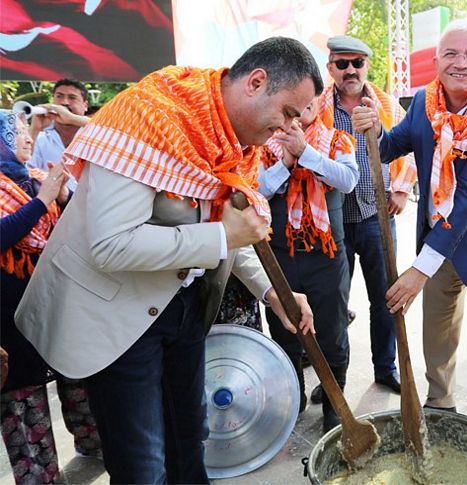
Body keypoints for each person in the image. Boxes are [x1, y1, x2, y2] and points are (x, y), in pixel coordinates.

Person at [15, 37, 319, 483]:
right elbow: (111, 244)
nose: (288, 127)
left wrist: (273, 291)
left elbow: (230, 232)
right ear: (256, 82)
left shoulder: (230, 141)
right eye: (290, 113)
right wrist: (221, 236)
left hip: (183, 305)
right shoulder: (149, 117)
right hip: (116, 316)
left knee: (189, 437)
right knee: (144, 462)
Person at [353, 20, 467, 485]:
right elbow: (393, 146)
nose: (461, 63)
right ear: (437, 61)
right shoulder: (425, 103)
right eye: (451, 53)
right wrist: (370, 130)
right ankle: (439, 407)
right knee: (437, 338)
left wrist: (416, 271)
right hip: (439, 244)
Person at [308, 35, 416, 404]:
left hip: (375, 217)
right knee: (332, 303)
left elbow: (410, 149)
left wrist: (401, 188)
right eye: (342, 63)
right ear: (331, 69)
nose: (350, 70)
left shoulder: (387, 106)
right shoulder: (316, 107)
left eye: (357, 63)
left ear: (367, 66)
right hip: (331, 220)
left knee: (385, 299)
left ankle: (386, 368)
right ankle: (333, 378)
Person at [258, 94, 359, 431]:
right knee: (285, 331)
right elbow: (255, 191)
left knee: (331, 332)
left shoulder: (336, 140)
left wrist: (305, 154)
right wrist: (285, 163)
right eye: (293, 101)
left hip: (326, 257)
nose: (302, 109)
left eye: (309, 100)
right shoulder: (264, 144)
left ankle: (334, 402)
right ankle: (294, 398)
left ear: (320, 103)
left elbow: (347, 180)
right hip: (279, 256)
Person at [0, 110, 74, 483]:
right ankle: (39, 477)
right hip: (7, 313)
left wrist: (60, 197)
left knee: (75, 380)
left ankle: (91, 450)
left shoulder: (33, 179)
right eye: (15, 133)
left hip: (50, 302)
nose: (28, 137)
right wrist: (45, 200)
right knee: (21, 397)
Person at [28, 79, 91, 190]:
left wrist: (73, 119)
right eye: (59, 96)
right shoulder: (40, 138)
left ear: (85, 105)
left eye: (72, 98)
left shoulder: (95, 136)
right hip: (49, 205)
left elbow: (116, 131)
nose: (64, 102)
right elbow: (22, 170)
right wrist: (34, 129)